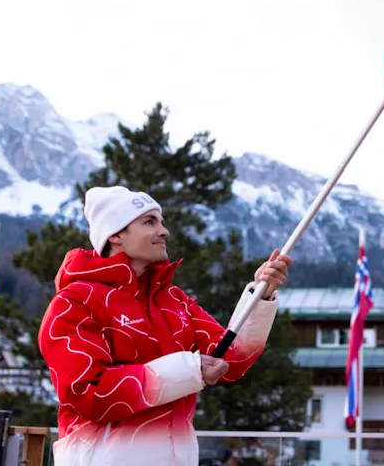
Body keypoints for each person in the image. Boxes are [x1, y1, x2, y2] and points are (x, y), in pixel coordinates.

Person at [38, 186, 291, 466]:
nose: (164, 231)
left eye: (161, 221)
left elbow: (231, 358)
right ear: (115, 235)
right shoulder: (74, 302)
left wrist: (261, 294)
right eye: (149, 222)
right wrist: (188, 369)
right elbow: (88, 391)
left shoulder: (174, 299)